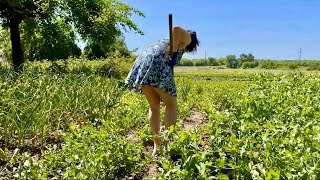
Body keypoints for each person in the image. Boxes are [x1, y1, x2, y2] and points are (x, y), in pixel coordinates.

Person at [125, 26, 199, 155]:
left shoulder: (167, 41)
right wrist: (175, 54)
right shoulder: (187, 37)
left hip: (144, 60)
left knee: (154, 106)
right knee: (171, 104)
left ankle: (156, 146)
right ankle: (166, 145)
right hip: (159, 62)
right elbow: (176, 29)